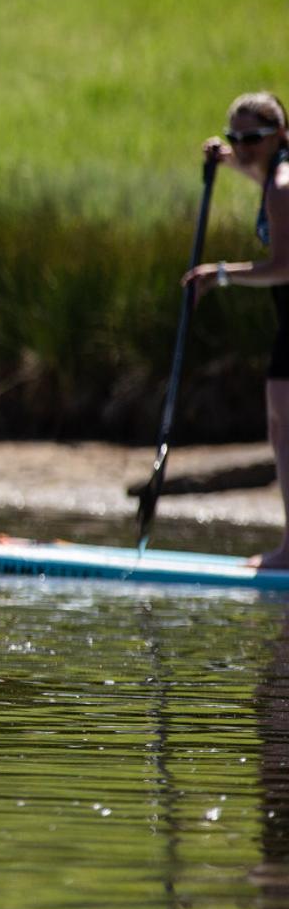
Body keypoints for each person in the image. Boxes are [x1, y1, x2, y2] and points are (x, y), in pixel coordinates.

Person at [186, 90, 289, 567]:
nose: (243, 147)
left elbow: (284, 266)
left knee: (282, 425)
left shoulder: (283, 185)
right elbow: (259, 172)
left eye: (252, 138)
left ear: (280, 135)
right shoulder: (275, 172)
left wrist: (220, 273)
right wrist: (230, 161)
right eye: (235, 137)